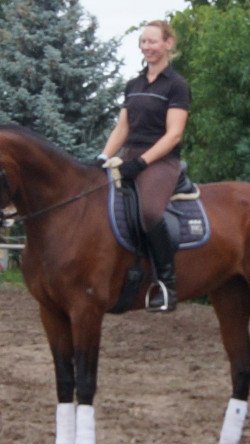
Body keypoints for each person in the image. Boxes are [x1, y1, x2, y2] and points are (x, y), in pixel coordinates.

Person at [97, 20, 191, 313]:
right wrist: (102, 158)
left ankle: (166, 283)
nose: (147, 47)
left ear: (168, 44)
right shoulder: (133, 85)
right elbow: (122, 128)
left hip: (161, 160)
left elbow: (174, 133)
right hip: (129, 156)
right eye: (143, 42)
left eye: (153, 41)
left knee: (149, 211)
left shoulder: (176, 85)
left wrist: (141, 163)